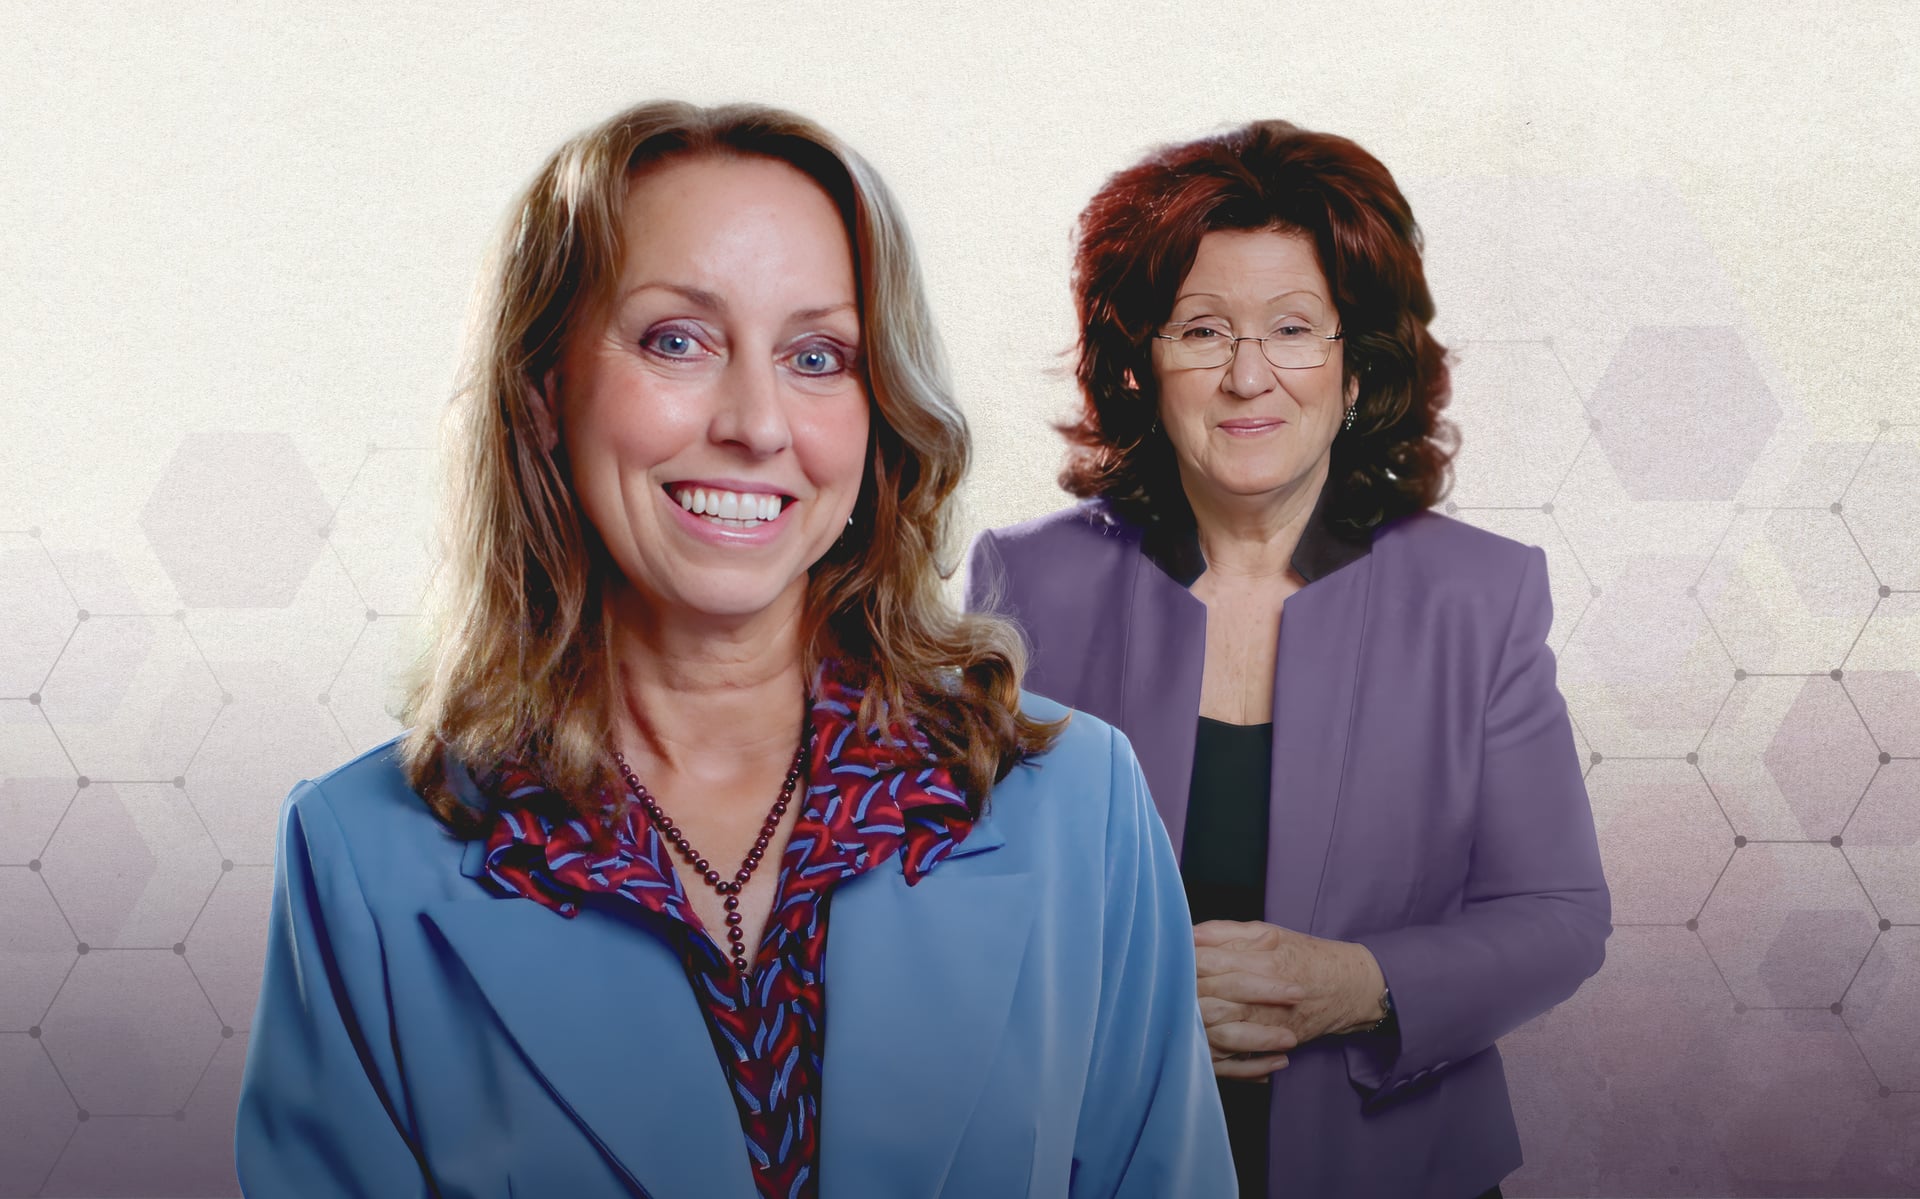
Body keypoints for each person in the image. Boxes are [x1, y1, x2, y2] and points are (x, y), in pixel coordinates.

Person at [236, 100, 1233, 1199]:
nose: (757, 421)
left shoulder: (1080, 809)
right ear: (542, 392)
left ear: (879, 409)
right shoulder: (360, 858)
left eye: (818, 354)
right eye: (677, 339)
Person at [965, 120, 1612, 1199]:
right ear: (1141, 364)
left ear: (1359, 366)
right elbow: (954, 901)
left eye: (1296, 328)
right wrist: (1140, 995)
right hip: (1095, 1162)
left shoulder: (1481, 596)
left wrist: (1355, 982)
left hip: (1403, 1169)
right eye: (1203, 329)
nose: (1248, 376)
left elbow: (1556, 914)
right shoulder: (1028, 587)